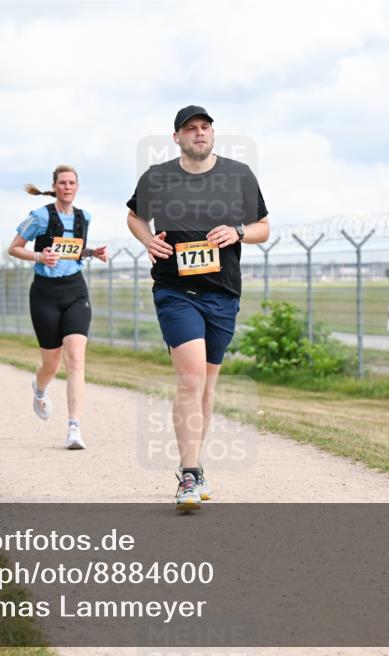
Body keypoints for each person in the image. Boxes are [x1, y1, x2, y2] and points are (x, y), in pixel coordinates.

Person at [126, 106, 270, 511]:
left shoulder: (239, 175)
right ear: (177, 138)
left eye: (205, 128)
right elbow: (135, 217)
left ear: (213, 134)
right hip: (175, 291)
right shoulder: (157, 177)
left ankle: (197, 465)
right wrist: (147, 241)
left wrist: (238, 230)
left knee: (207, 387)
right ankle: (187, 475)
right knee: (189, 381)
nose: (199, 134)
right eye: (191, 129)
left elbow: (263, 227)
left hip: (222, 292)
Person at [8, 165, 108, 450]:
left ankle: (74, 428)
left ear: (77, 187)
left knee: (75, 359)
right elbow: (14, 248)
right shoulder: (40, 216)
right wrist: (39, 256)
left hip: (75, 290)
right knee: (51, 364)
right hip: (45, 293)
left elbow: (74, 250)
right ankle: (39, 388)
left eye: (72, 183)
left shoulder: (83, 217)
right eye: (62, 183)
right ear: (55, 186)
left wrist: (92, 252)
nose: (67, 187)